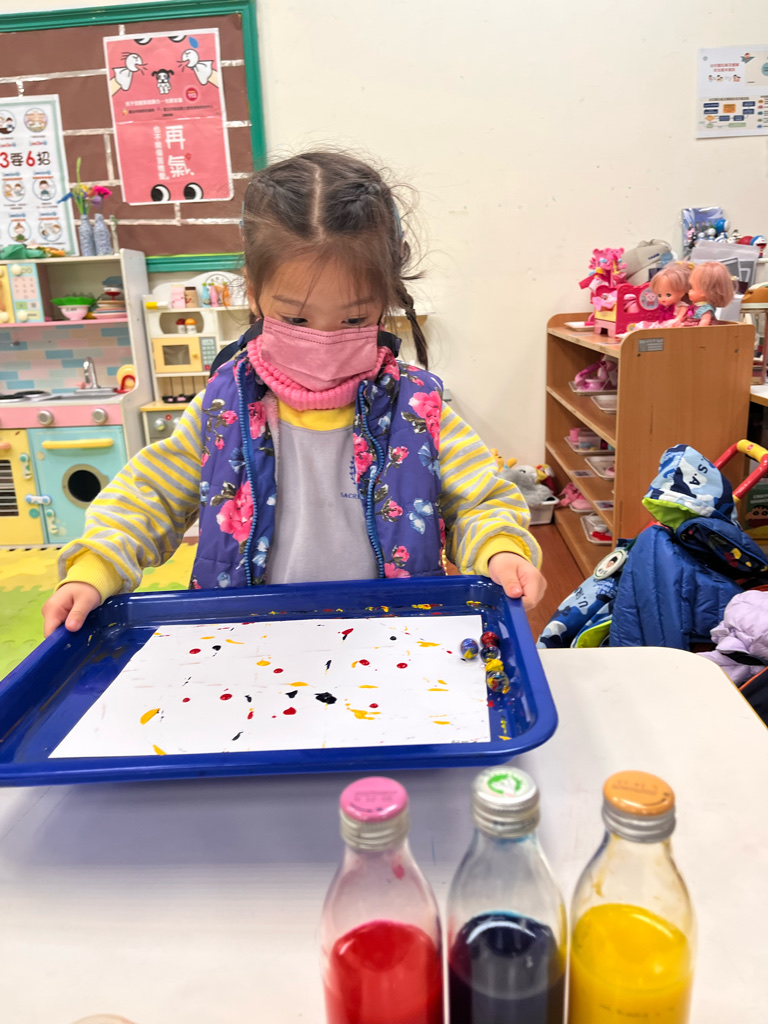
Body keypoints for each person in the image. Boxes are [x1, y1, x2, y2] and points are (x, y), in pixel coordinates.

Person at [42, 151, 545, 637]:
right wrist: (94, 569)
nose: (322, 340)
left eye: (354, 319)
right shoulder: (224, 407)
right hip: (250, 638)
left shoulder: (417, 408)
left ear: (387, 298)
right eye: (296, 318)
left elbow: (478, 500)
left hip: (396, 635)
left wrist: (501, 551)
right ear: (253, 291)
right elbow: (150, 497)